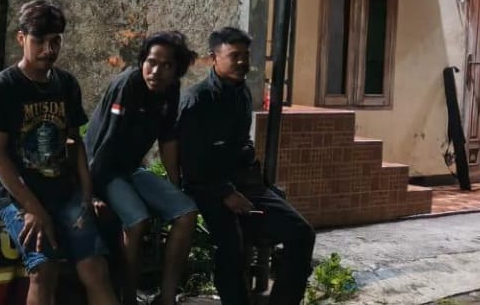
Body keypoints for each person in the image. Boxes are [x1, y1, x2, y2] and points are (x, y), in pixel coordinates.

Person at [0, 0, 119, 305]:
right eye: (39, 41)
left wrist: (85, 194)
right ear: (21, 39)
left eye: (55, 41)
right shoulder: (1, 88)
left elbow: (75, 142)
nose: (48, 50)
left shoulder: (66, 84)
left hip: (64, 191)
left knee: (96, 268)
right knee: (43, 270)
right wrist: (32, 207)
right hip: (18, 196)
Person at [176, 27, 314, 305]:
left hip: (244, 185)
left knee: (302, 233)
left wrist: (249, 166)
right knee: (232, 248)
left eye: (245, 55)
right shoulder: (197, 100)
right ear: (214, 58)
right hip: (207, 189)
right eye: (234, 55)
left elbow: (242, 143)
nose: (242, 62)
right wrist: (225, 193)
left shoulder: (242, 94)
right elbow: (191, 164)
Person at [85, 32, 199, 305]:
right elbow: (103, 145)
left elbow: (167, 139)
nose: (156, 71)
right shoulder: (127, 85)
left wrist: (175, 183)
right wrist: (90, 193)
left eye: (166, 65)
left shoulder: (171, 90)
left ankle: (167, 297)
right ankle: (128, 298)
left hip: (132, 168)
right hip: (103, 169)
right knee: (136, 220)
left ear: (177, 70)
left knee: (186, 213)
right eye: (151, 62)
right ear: (142, 61)